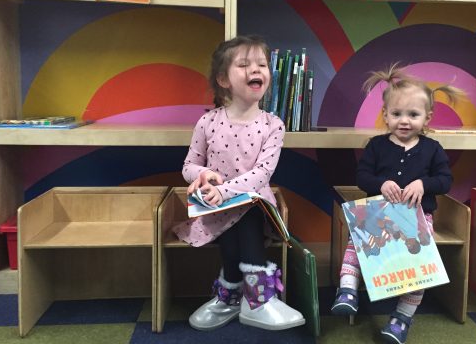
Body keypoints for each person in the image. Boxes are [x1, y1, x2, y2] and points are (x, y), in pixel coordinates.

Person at [174, 35, 305, 331]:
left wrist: (224, 191)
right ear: (223, 79)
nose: (256, 70)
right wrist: (203, 176)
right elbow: (189, 166)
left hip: (256, 209)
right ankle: (234, 295)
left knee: (246, 211)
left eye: (262, 64)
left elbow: (262, 174)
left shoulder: (273, 125)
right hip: (213, 210)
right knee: (233, 215)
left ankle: (250, 297)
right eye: (244, 64)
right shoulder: (207, 122)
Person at [331, 63, 461, 344]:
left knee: (420, 270)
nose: (404, 121)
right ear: (385, 115)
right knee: (356, 241)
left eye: (413, 115)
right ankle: (348, 289)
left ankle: (402, 318)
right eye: (397, 114)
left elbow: (445, 180)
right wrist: (380, 184)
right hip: (378, 214)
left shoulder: (432, 149)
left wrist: (423, 184)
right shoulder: (376, 146)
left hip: (417, 218)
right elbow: (362, 176)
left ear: (427, 117)